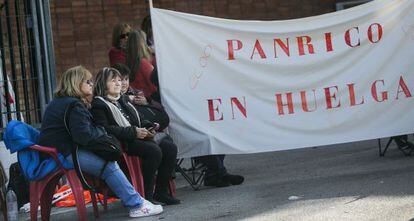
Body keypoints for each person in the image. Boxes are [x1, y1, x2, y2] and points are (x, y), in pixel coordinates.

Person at [38, 66, 163, 218]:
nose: (92, 84)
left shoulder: (61, 102)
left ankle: (135, 200)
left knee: (108, 161)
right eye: (88, 81)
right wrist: (103, 139)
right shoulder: (74, 105)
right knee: (108, 165)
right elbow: (84, 136)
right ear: (76, 83)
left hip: (59, 151)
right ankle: (136, 205)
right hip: (64, 154)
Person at [113, 63, 244, 188]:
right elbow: (153, 115)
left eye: (126, 79)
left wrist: (147, 101)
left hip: (178, 128)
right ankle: (218, 173)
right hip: (171, 131)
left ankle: (214, 173)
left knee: (217, 134)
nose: (124, 83)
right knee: (206, 139)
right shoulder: (148, 96)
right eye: (120, 80)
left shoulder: (140, 94)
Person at [91, 67, 180, 205]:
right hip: (123, 142)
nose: (118, 83)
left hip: (137, 136)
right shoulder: (99, 104)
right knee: (154, 150)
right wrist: (134, 132)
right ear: (103, 84)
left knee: (170, 147)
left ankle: (161, 192)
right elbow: (106, 129)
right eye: (112, 80)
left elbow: (139, 118)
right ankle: (146, 197)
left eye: (119, 80)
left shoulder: (123, 99)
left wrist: (149, 127)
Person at [125, 30, 159, 101]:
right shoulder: (143, 63)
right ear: (143, 43)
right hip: (149, 102)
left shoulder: (127, 62)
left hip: (137, 101)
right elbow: (155, 87)